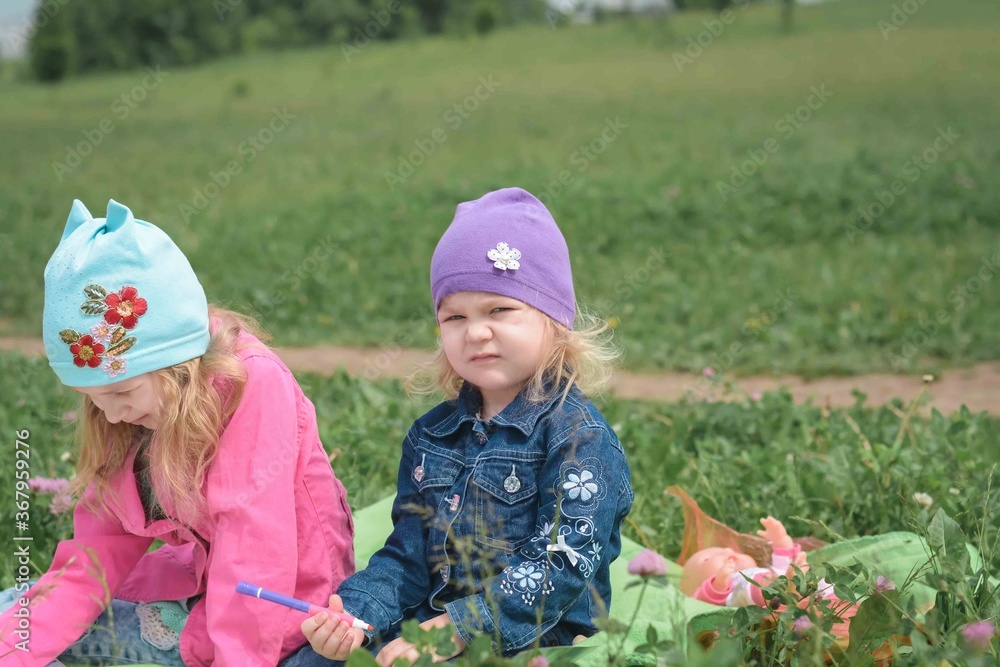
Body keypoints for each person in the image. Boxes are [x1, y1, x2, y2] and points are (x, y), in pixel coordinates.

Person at [0, 200, 354, 667]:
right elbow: (95, 555)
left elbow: (253, 554)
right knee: (13, 612)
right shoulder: (125, 411)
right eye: (91, 398)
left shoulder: (253, 386)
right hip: (203, 584)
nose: (108, 415)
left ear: (177, 366)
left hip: (280, 610)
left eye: (121, 391)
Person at [289, 187, 634, 666]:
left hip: (535, 638)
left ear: (554, 320)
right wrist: (358, 613)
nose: (475, 331)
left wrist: (459, 627)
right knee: (310, 661)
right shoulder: (432, 435)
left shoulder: (580, 440)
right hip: (429, 622)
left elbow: (560, 565)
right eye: (454, 316)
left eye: (500, 309)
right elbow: (409, 557)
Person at [679, 516, 807, 607]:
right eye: (707, 559)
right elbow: (701, 603)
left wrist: (781, 541)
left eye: (724, 548)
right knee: (748, 585)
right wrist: (717, 586)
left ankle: (795, 584)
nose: (728, 550)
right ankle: (787, 587)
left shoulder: (764, 571)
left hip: (807, 594)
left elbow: (783, 567)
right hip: (772, 599)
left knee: (783, 572)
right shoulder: (731, 589)